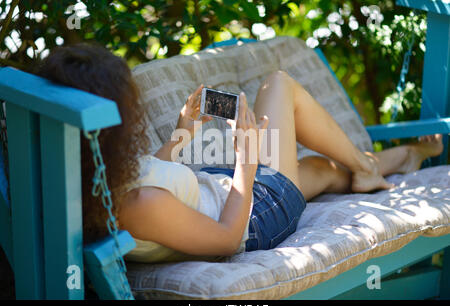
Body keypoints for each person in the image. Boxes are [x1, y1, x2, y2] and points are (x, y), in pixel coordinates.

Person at [37, 44, 444, 262]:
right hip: (253, 218)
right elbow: (228, 239)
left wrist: (183, 132)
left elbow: (152, 174)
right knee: (279, 85)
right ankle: (364, 165)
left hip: (221, 188)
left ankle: (389, 162)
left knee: (315, 170)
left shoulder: (95, 174)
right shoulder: (138, 206)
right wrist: (246, 163)